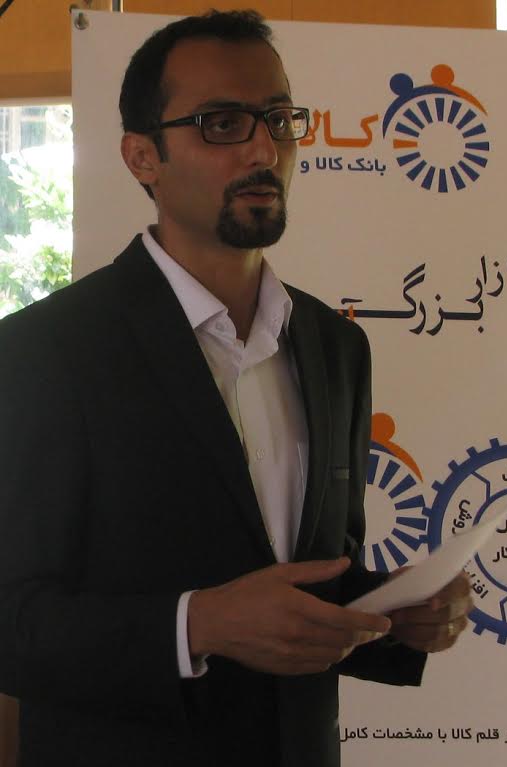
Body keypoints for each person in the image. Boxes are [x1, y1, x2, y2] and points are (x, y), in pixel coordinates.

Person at [0, 10, 471, 767]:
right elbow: (13, 620)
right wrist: (198, 624)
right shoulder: (44, 351)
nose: (263, 149)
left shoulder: (336, 347)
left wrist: (393, 612)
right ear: (142, 156)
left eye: (278, 119)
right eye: (221, 123)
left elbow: (316, 575)